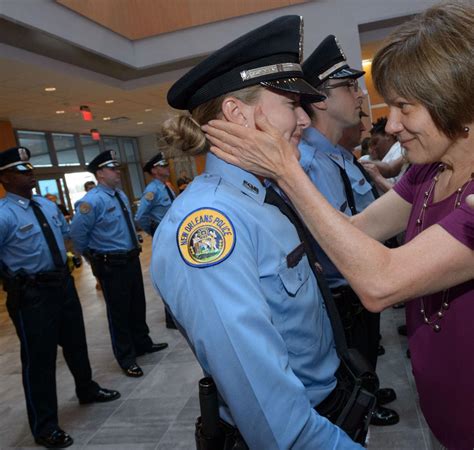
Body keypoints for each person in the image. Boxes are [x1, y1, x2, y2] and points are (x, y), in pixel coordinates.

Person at [203, 3, 474, 448]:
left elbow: (381, 284)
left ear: (459, 105)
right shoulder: (430, 170)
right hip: (444, 401)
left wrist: (286, 171)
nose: (392, 123)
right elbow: (360, 228)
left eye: (406, 107)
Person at [151, 15, 375, 450]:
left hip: (332, 400)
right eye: (291, 104)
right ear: (237, 113)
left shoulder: (268, 193)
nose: (304, 120)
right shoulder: (210, 226)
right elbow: (275, 425)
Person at [297, 35, 398, 427]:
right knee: (349, 361)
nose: (359, 95)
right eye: (349, 86)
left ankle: (368, 392)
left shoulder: (339, 154)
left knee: (365, 352)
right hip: (337, 292)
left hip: (359, 283)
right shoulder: (303, 162)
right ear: (320, 99)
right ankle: (361, 403)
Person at [0, 147, 120, 449]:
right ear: (5, 178)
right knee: (39, 361)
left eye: (30, 170)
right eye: (21, 172)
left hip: (62, 286)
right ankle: (45, 426)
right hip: (32, 295)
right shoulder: (4, 215)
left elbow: (64, 236)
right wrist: (12, 280)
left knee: (76, 343)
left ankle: (86, 388)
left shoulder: (46, 205)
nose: (30, 176)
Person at [70, 150, 168, 378]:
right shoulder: (90, 201)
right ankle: (126, 357)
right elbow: (78, 235)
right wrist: (92, 259)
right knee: (119, 312)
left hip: (130, 258)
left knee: (137, 304)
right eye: (112, 168)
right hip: (111, 263)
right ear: (100, 173)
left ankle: (142, 342)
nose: (117, 172)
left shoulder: (119, 195)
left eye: (117, 168)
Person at [135, 152, 177, 329]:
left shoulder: (166, 187)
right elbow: (140, 216)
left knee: (176, 276)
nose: (166, 167)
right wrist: (155, 231)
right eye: (162, 165)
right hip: (165, 238)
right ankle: (171, 318)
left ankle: (176, 313)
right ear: (154, 170)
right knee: (170, 277)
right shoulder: (152, 190)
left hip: (174, 236)